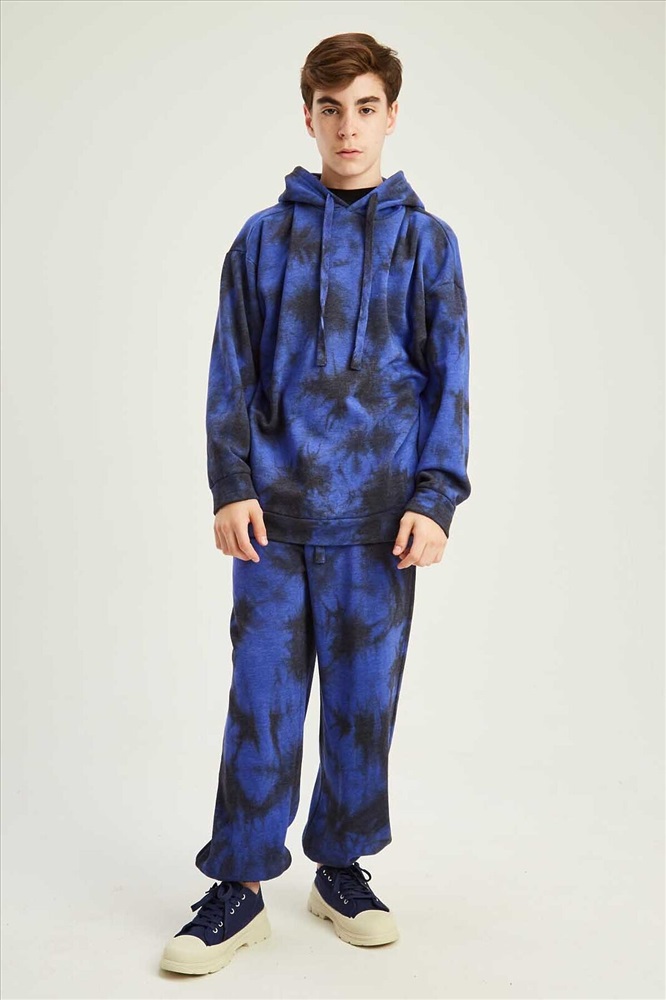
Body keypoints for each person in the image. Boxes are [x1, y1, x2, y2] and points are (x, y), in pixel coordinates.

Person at [160, 31, 471, 976]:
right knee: (260, 703)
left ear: (391, 115)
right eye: (331, 109)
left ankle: (341, 868)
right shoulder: (262, 240)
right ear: (308, 116)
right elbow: (230, 372)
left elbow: (450, 379)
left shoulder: (427, 242)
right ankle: (241, 885)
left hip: (380, 523)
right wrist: (230, 485)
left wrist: (435, 499)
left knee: (363, 706)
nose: (348, 127)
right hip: (274, 523)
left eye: (365, 108)